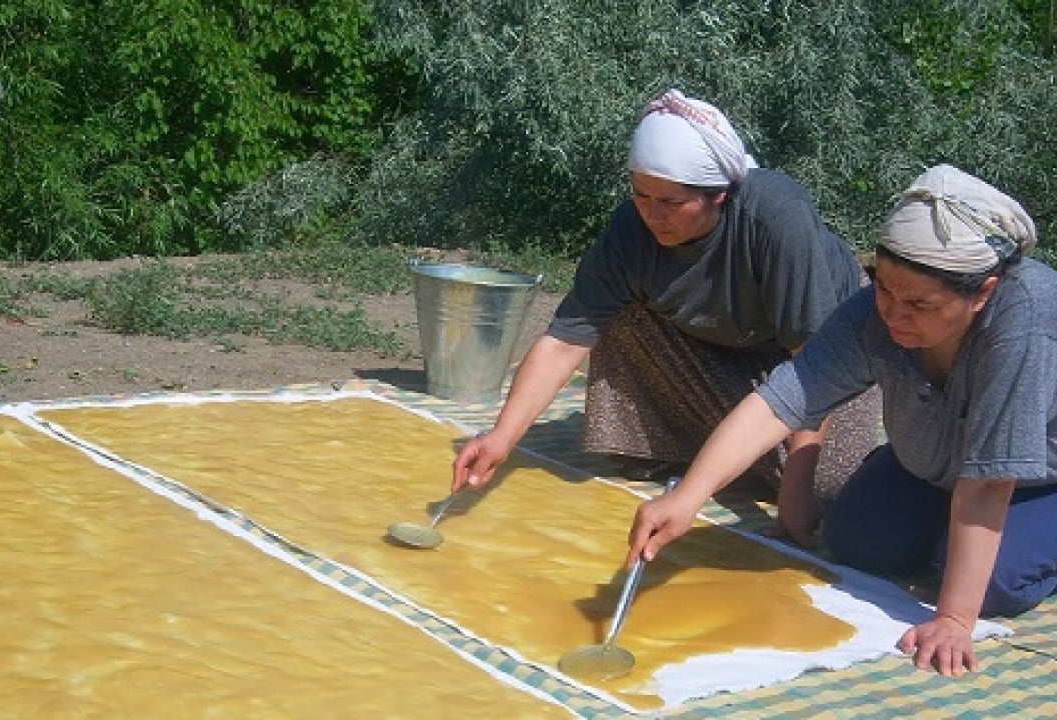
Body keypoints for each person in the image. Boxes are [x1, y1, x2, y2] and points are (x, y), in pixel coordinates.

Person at [627, 164, 1057, 677]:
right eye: (883, 287)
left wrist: (954, 618)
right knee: (855, 542)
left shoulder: (1025, 322)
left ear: (982, 292)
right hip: (925, 468)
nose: (893, 314)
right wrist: (688, 497)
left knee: (986, 587)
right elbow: (782, 400)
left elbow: (990, 480)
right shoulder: (872, 313)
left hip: (1031, 481)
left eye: (918, 303)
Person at [451, 88, 880, 539]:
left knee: (830, 488)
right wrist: (500, 438)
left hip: (818, 360)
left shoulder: (775, 217)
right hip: (724, 348)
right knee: (616, 313)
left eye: (672, 202)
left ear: (719, 195)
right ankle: (702, 449)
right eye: (641, 195)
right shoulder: (631, 230)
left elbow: (812, 367)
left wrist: (795, 498)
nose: (653, 215)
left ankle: (728, 452)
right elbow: (564, 341)